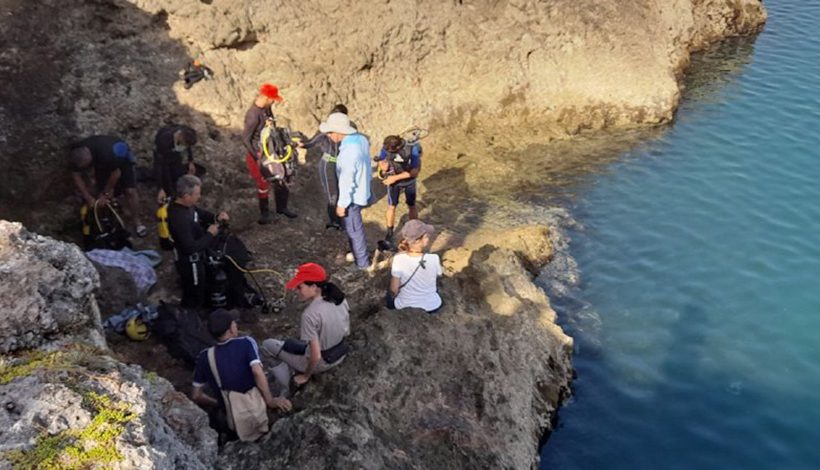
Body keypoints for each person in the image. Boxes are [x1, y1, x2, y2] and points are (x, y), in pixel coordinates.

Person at [192, 309, 292, 441]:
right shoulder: (246, 342)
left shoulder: (205, 357)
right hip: (257, 412)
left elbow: (196, 395)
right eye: (234, 323)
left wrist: (221, 403)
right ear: (231, 329)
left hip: (232, 420)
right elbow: (257, 372)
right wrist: (270, 401)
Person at [262, 263, 350, 395]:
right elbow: (346, 330)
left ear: (314, 286)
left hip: (322, 362)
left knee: (267, 344)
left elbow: (316, 355)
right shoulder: (339, 298)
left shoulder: (310, 314)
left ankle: (286, 387)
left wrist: (305, 376)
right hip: (340, 353)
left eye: (300, 287)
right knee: (294, 343)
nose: (297, 291)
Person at [320, 112, 372, 269]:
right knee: (354, 228)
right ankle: (358, 255)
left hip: (352, 197)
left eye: (330, 132)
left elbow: (347, 181)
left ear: (337, 132)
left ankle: (362, 264)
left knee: (354, 230)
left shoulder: (348, 153)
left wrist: (342, 204)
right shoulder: (361, 139)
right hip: (362, 189)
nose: (328, 135)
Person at [166, 175, 227, 308]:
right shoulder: (178, 218)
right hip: (190, 263)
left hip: (198, 258)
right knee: (194, 294)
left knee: (201, 288)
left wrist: (216, 217)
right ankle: (191, 318)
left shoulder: (187, 206)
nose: (199, 197)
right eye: (197, 194)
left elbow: (199, 213)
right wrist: (210, 234)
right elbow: (190, 248)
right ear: (186, 196)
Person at [68, 135, 146, 237]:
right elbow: (76, 176)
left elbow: (116, 173)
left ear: (89, 158)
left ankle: (137, 222)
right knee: (98, 189)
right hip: (101, 162)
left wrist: (106, 193)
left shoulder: (107, 154)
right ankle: (110, 217)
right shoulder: (76, 153)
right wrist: (88, 197)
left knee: (130, 191)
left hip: (121, 158)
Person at [242, 83, 296, 224]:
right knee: (263, 183)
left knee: (282, 176)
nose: (273, 102)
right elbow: (246, 139)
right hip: (258, 153)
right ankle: (264, 214)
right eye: (272, 99)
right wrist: (256, 157)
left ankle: (281, 208)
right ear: (266, 98)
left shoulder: (266, 108)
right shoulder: (253, 115)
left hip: (270, 149)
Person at [302, 104, 351, 230]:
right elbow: (310, 143)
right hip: (328, 164)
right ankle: (334, 221)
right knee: (333, 195)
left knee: (340, 192)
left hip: (341, 163)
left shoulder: (347, 130)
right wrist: (300, 144)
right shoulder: (326, 132)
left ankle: (340, 219)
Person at [386, 220, 443, 313]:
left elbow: (394, 290)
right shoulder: (434, 258)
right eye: (426, 236)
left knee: (389, 296)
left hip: (404, 305)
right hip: (432, 306)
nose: (428, 238)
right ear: (417, 241)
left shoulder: (398, 259)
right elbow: (438, 275)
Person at [377, 135, 422, 243]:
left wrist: (394, 178)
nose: (389, 152)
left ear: (398, 147)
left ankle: (414, 229)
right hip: (394, 183)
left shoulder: (412, 149)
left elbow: (414, 172)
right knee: (391, 206)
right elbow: (381, 161)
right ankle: (389, 232)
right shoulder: (386, 148)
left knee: (411, 205)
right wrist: (384, 169)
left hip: (408, 181)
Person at [154, 124, 199, 204]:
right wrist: (160, 187)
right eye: (184, 144)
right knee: (168, 182)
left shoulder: (185, 132)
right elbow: (159, 165)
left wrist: (190, 162)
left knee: (179, 175)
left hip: (175, 156)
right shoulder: (164, 140)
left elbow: (188, 146)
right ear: (180, 137)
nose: (185, 146)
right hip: (163, 159)